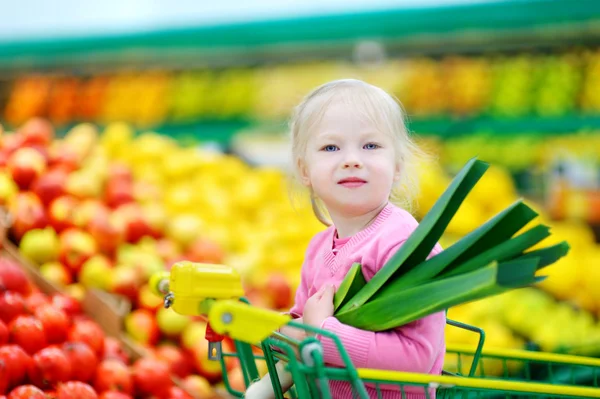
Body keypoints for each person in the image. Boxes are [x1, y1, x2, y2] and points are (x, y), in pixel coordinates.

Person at [281, 79, 446, 399]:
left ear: (397, 166)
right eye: (331, 147)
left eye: (370, 146)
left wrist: (322, 332)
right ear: (305, 170)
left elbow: (415, 360)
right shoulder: (318, 249)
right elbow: (301, 328)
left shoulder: (404, 245)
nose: (351, 159)